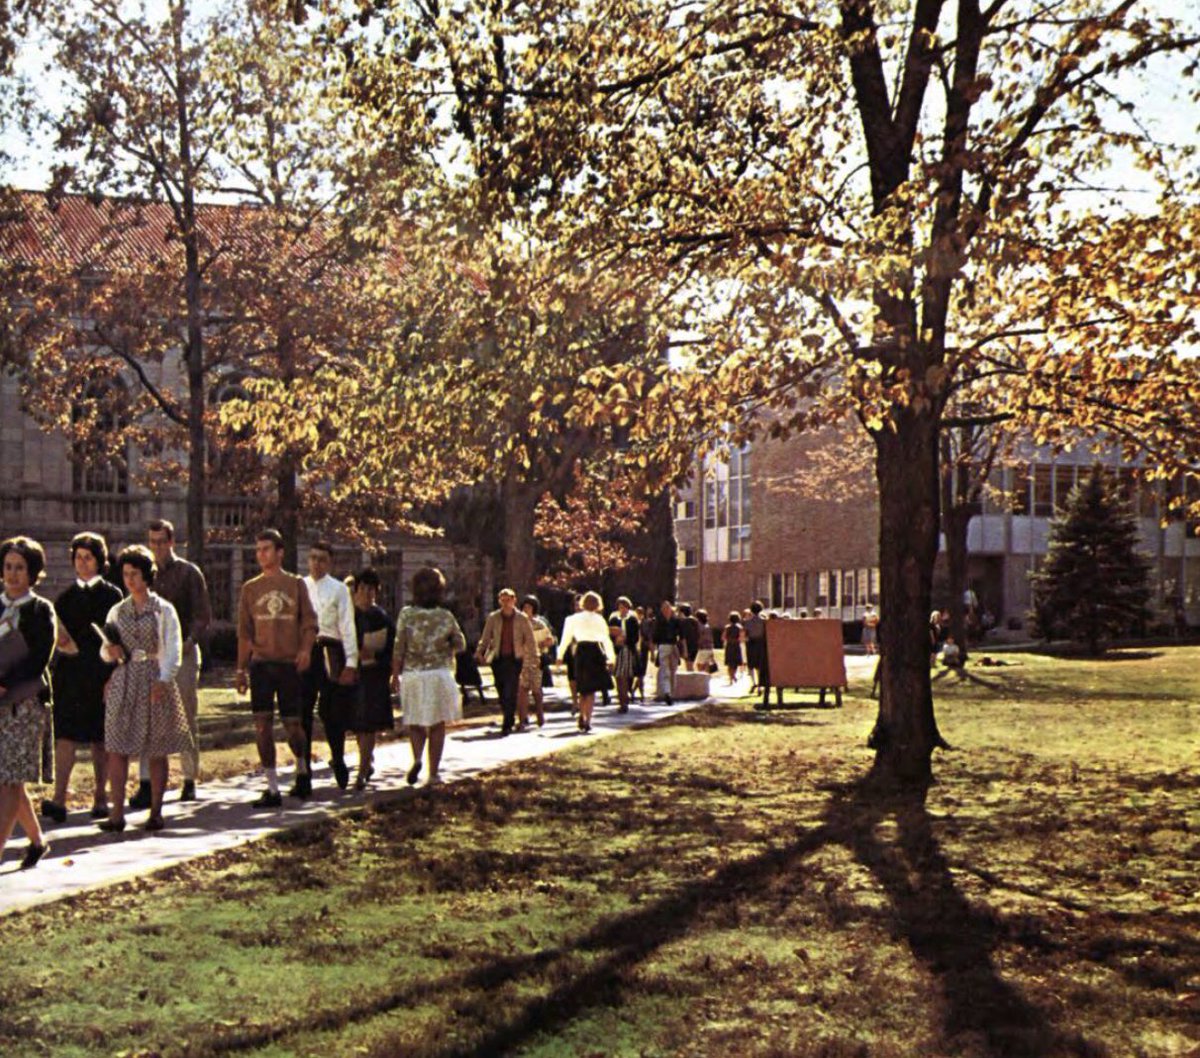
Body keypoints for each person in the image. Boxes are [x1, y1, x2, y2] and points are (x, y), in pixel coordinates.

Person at [96, 545, 193, 833]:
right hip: (124, 678)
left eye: (135, 574)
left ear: (147, 576)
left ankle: (155, 811)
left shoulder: (163, 610)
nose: (129, 580)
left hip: (153, 678)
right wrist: (109, 653)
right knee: (116, 745)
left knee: (156, 747)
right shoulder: (117, 610)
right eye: (125, 574)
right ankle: (116, 814)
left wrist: (165, 679)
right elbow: (104, 648)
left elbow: (173, 647)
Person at [129, 518, 211, 808]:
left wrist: (188, 642)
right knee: (146, 719)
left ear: (172, 542)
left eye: (162, 542)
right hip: (150, 656)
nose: (157, 547)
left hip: (182, 655)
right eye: (152, 542)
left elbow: (202, 615)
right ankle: (145, 783)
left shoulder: (189, 573)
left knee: (185, 716)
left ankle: (189, 779)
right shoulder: (143, 574)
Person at [43, 532, 122, 824]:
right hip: (70, 676)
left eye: (88, 557)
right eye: (78, 557)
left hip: (100, 674)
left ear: (99, 561)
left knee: (99, 739)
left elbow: (117, 639)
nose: (83, 562)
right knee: (65, 736)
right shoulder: (64, 598)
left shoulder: (113, 596)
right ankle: (59, 798)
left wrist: (112, 676)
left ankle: (101, 797)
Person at [236, 529, 318, 807]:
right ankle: (272, 787)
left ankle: (302, 768)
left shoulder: (295, 585)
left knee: (293, 725)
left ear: (280, 552)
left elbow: (309, 624)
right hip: (261, 665)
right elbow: (245, 633)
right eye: (258, 550)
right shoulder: (250, 588)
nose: (261, 554)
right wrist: (240, 669)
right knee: (262, 725)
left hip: (289, 664)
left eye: (267, 549)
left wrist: (305, 650)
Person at [0, 536, 56, 870]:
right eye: (8, 566)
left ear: (32, 572)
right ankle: (37, 842)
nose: (13, 573)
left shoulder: (40, 610)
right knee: (6, 777)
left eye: (20, 568)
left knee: (10, 780)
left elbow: (39, 657)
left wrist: (6, 683)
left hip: (25, 702)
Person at [391, 567, 465, 785]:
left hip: (413, 674)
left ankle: (416, 758)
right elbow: (460, 644)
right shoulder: (446, 616)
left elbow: (398, 647)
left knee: (415, 721)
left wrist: (394, 674)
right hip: (439, 674)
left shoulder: (406, 614)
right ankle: (433, 773)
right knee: (437, 724)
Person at [301, 541, 359, 790]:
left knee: (331, 711)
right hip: (305, 649)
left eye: (322, 559)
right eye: (313, 558)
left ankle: (338, 757)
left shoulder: (338, 590)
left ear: (330, 562)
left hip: (330, 650)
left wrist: (351, 661)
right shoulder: (299, 586)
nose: (317, 563)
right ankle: (303, 772)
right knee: (302, 711)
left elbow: (347, 625)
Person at [348, 569, 395, 791]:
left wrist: (375, 655)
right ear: (356, 591)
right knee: (357, 725)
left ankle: (362, 771)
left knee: (368, 725)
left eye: (371, 589)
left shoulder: (382, 618)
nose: (367, 593)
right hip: (352, 674)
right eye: (363, 589)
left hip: (374, 676)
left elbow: (393, 650)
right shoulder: (349, 616)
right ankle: (366, 760)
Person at [476, 588, 538, 736]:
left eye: (508, 599)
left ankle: (507, 722)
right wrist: (480, 651)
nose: (506, 603)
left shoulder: (522, 618)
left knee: (511, 689)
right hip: (498, 658)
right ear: (499, 601)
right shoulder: (493, 617)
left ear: (514, 600)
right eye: (503, 600)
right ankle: (508, 715)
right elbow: (485, 637)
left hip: (515, 658)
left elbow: (530, 639)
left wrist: (535, 656)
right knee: (501, 688)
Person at [558, 591, 615, 732]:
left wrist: (559, 655)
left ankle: (583, 715)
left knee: (583, 688)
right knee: (591, 689)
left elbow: (565, 639)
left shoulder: (572, 619)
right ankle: (587, 718)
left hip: (581, 651)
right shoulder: (599, 620)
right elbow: (606, 640)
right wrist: (611, 657)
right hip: (595, 652)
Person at [520, 595, 554, 728]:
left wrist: (541, 644)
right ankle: (522, 718)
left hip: (536, 660)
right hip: (522, 660)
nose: (526, 609)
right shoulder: (518, 623)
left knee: (536, 690)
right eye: (524, 607)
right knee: (522, 690)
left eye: (529, 607)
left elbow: (550, 639)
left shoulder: (539, 623)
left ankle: (540, 714)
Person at [650, 600, 684, 703]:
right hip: (663, 645)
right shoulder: (658, 622)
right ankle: (667, 692)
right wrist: (652, 652)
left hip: (673, 646)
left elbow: (681, 636)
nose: (667, 610)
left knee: (673, 670)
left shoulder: (675, 621)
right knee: (665, 670)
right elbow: (654, 638)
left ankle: (671, 693)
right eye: (665, 608)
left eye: (668, 608)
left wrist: (684, 650)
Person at [609, 619, 636, 713]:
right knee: (617, 677)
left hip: (626, 650)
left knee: (623, 676)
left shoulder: (632, 620)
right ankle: (621, 701)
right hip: (615, 651)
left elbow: (635, 636)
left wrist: (625, 641)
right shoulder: (614, 619)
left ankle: (624, 701)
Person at [742, 601, 766, 691]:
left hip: (751, 644)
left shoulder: (747, 622)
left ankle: (753, 683)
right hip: (761, 644)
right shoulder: (764, 621)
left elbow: (745, 635)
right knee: (760, 664)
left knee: (751, 664)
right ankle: (760, 684)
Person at [677, 603, 701, 672]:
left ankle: (692, 681)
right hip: (695, 646)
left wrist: (685, 650)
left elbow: (683, 637)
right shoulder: (695, 621)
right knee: (691, 665)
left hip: (688, 647)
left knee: (689, 667)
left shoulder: (684, 622)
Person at [722, 611, 743, 685]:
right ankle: (733, 675)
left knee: (729, 663)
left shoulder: (727, 627)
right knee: (736, 663)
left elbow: (723, 637)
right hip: (736, 646)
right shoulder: (740, 627)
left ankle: (731, 678)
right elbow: (741, 638)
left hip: (729, 645)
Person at [693, 609, 716, 674]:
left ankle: (702, 679)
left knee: (700, 665)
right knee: (706, 665)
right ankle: (706, 678)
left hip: (702, 648)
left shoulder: (699, 626)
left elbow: (699, 637)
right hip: (709, 647)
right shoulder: (707, 626)